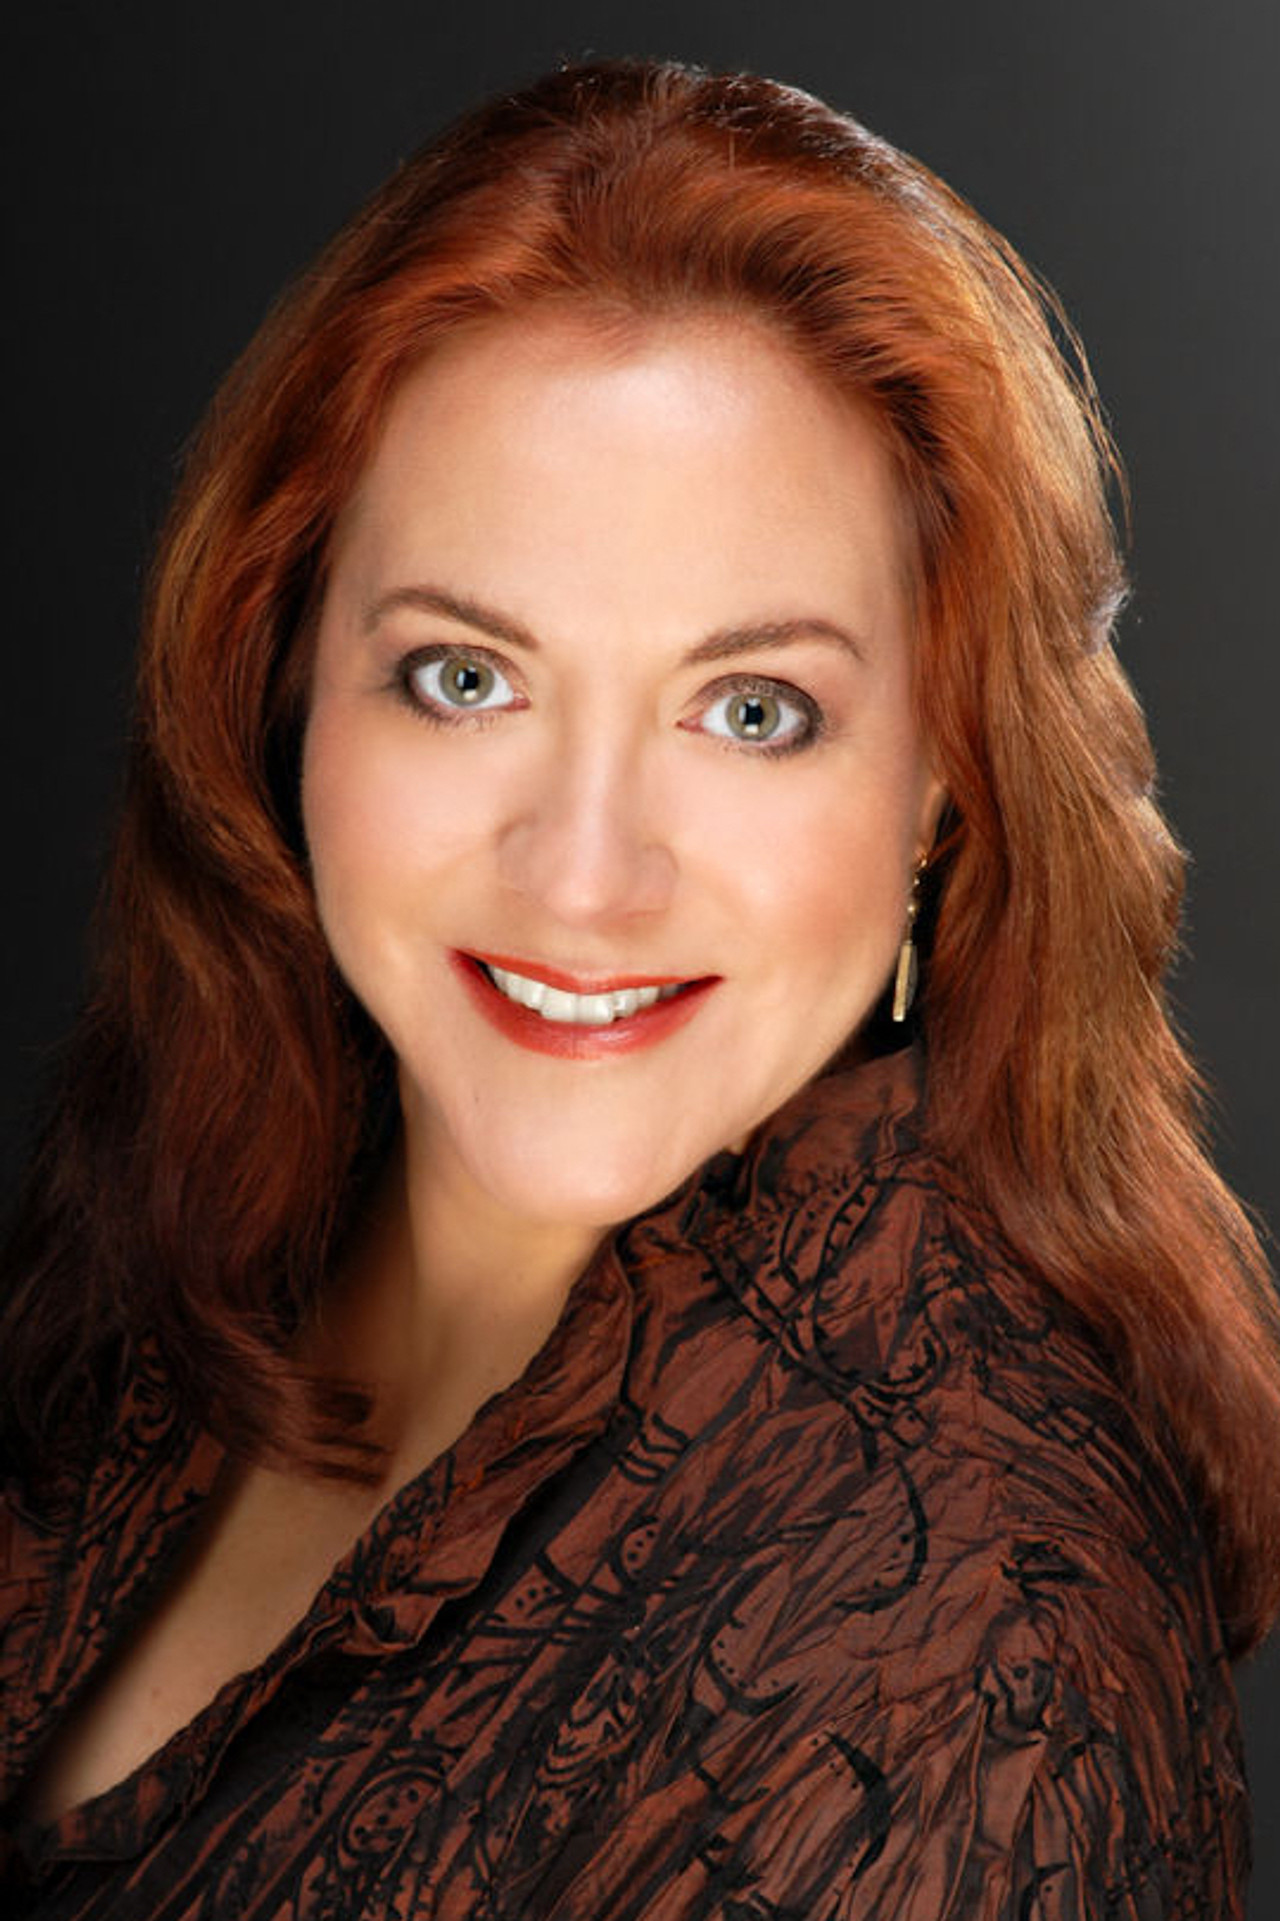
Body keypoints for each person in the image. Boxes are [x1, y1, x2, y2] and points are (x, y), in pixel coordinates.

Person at [2, 55, 1277, 1919]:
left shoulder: (969, 1686)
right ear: (282, 678)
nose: (584, 874)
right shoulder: (182, 1203)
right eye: (464, 677)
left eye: (751, 710)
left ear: (948, 782)